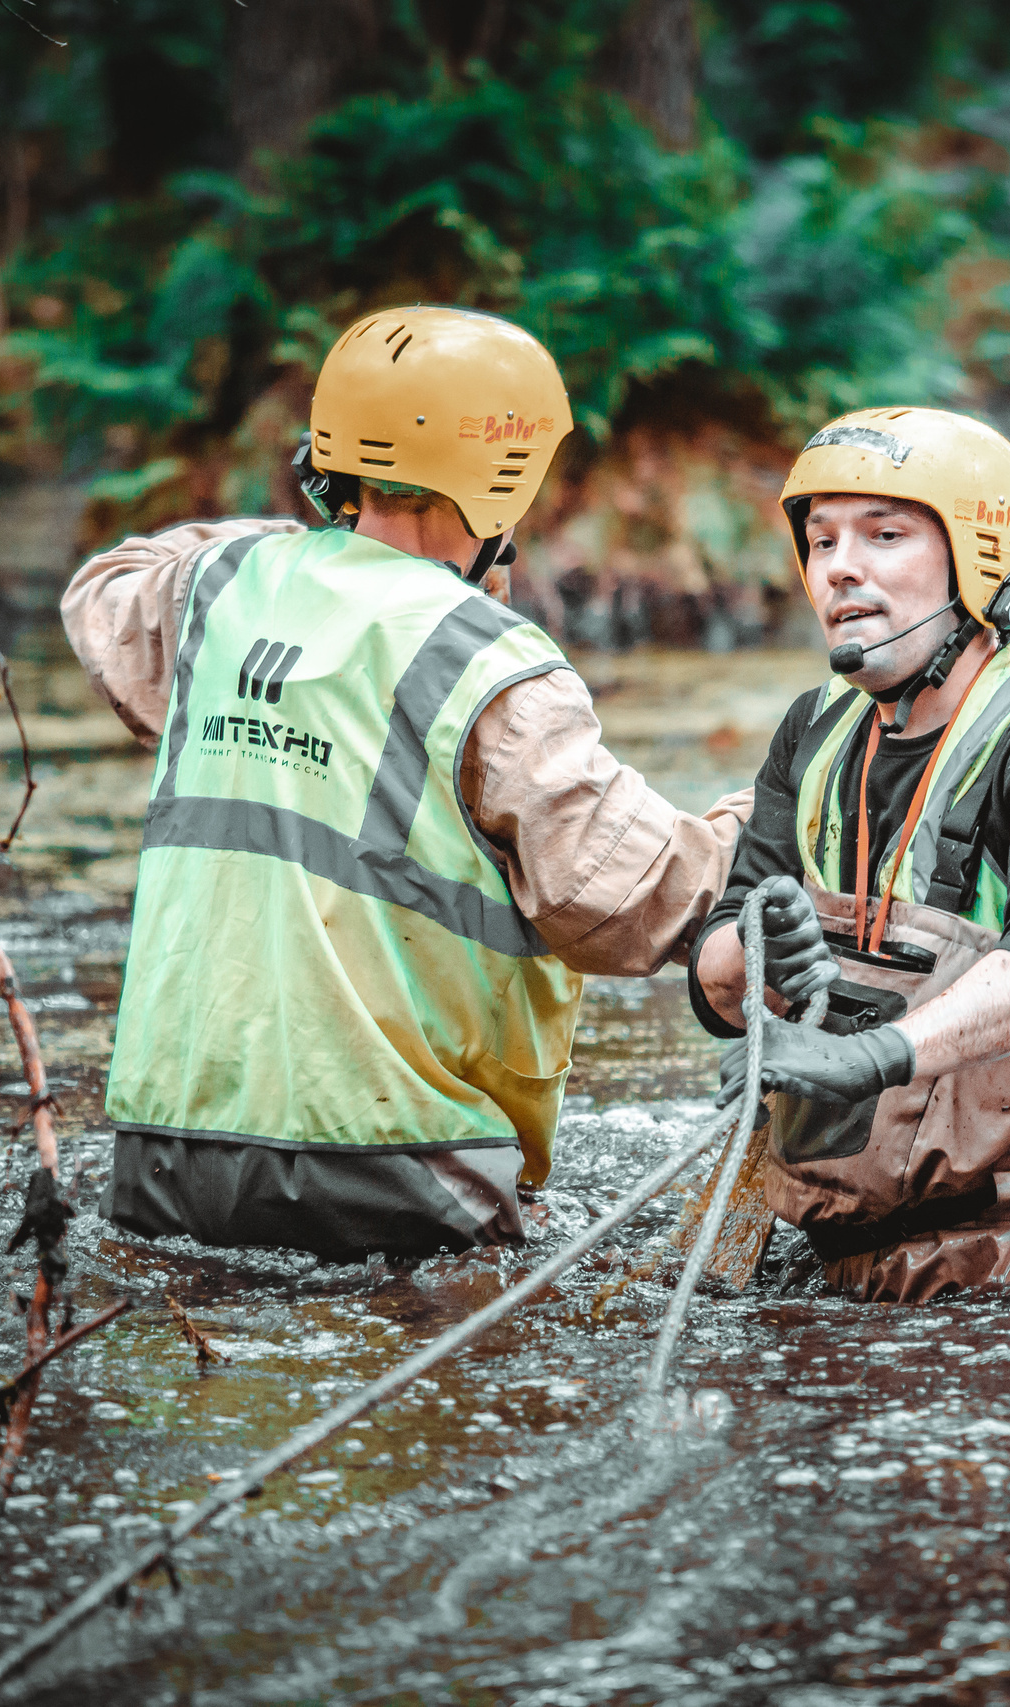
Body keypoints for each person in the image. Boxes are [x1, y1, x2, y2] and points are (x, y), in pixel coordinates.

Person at [62, 305, 748, 1265]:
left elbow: (105, 589)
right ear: (503, 475)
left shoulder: (217, 586)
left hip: (159, 1160)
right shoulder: (490, 658)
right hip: (396, 1175)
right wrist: (762, 827)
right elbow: (627, 898)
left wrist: (326, 542)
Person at [690, 407, 1010, 1304]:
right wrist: (757, 955)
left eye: (885, 535)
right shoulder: (811, 731)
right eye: (822, 539)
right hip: (813, 1257)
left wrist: (874, 1054)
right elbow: (719, 978)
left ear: (977, 559)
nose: (841, 565)